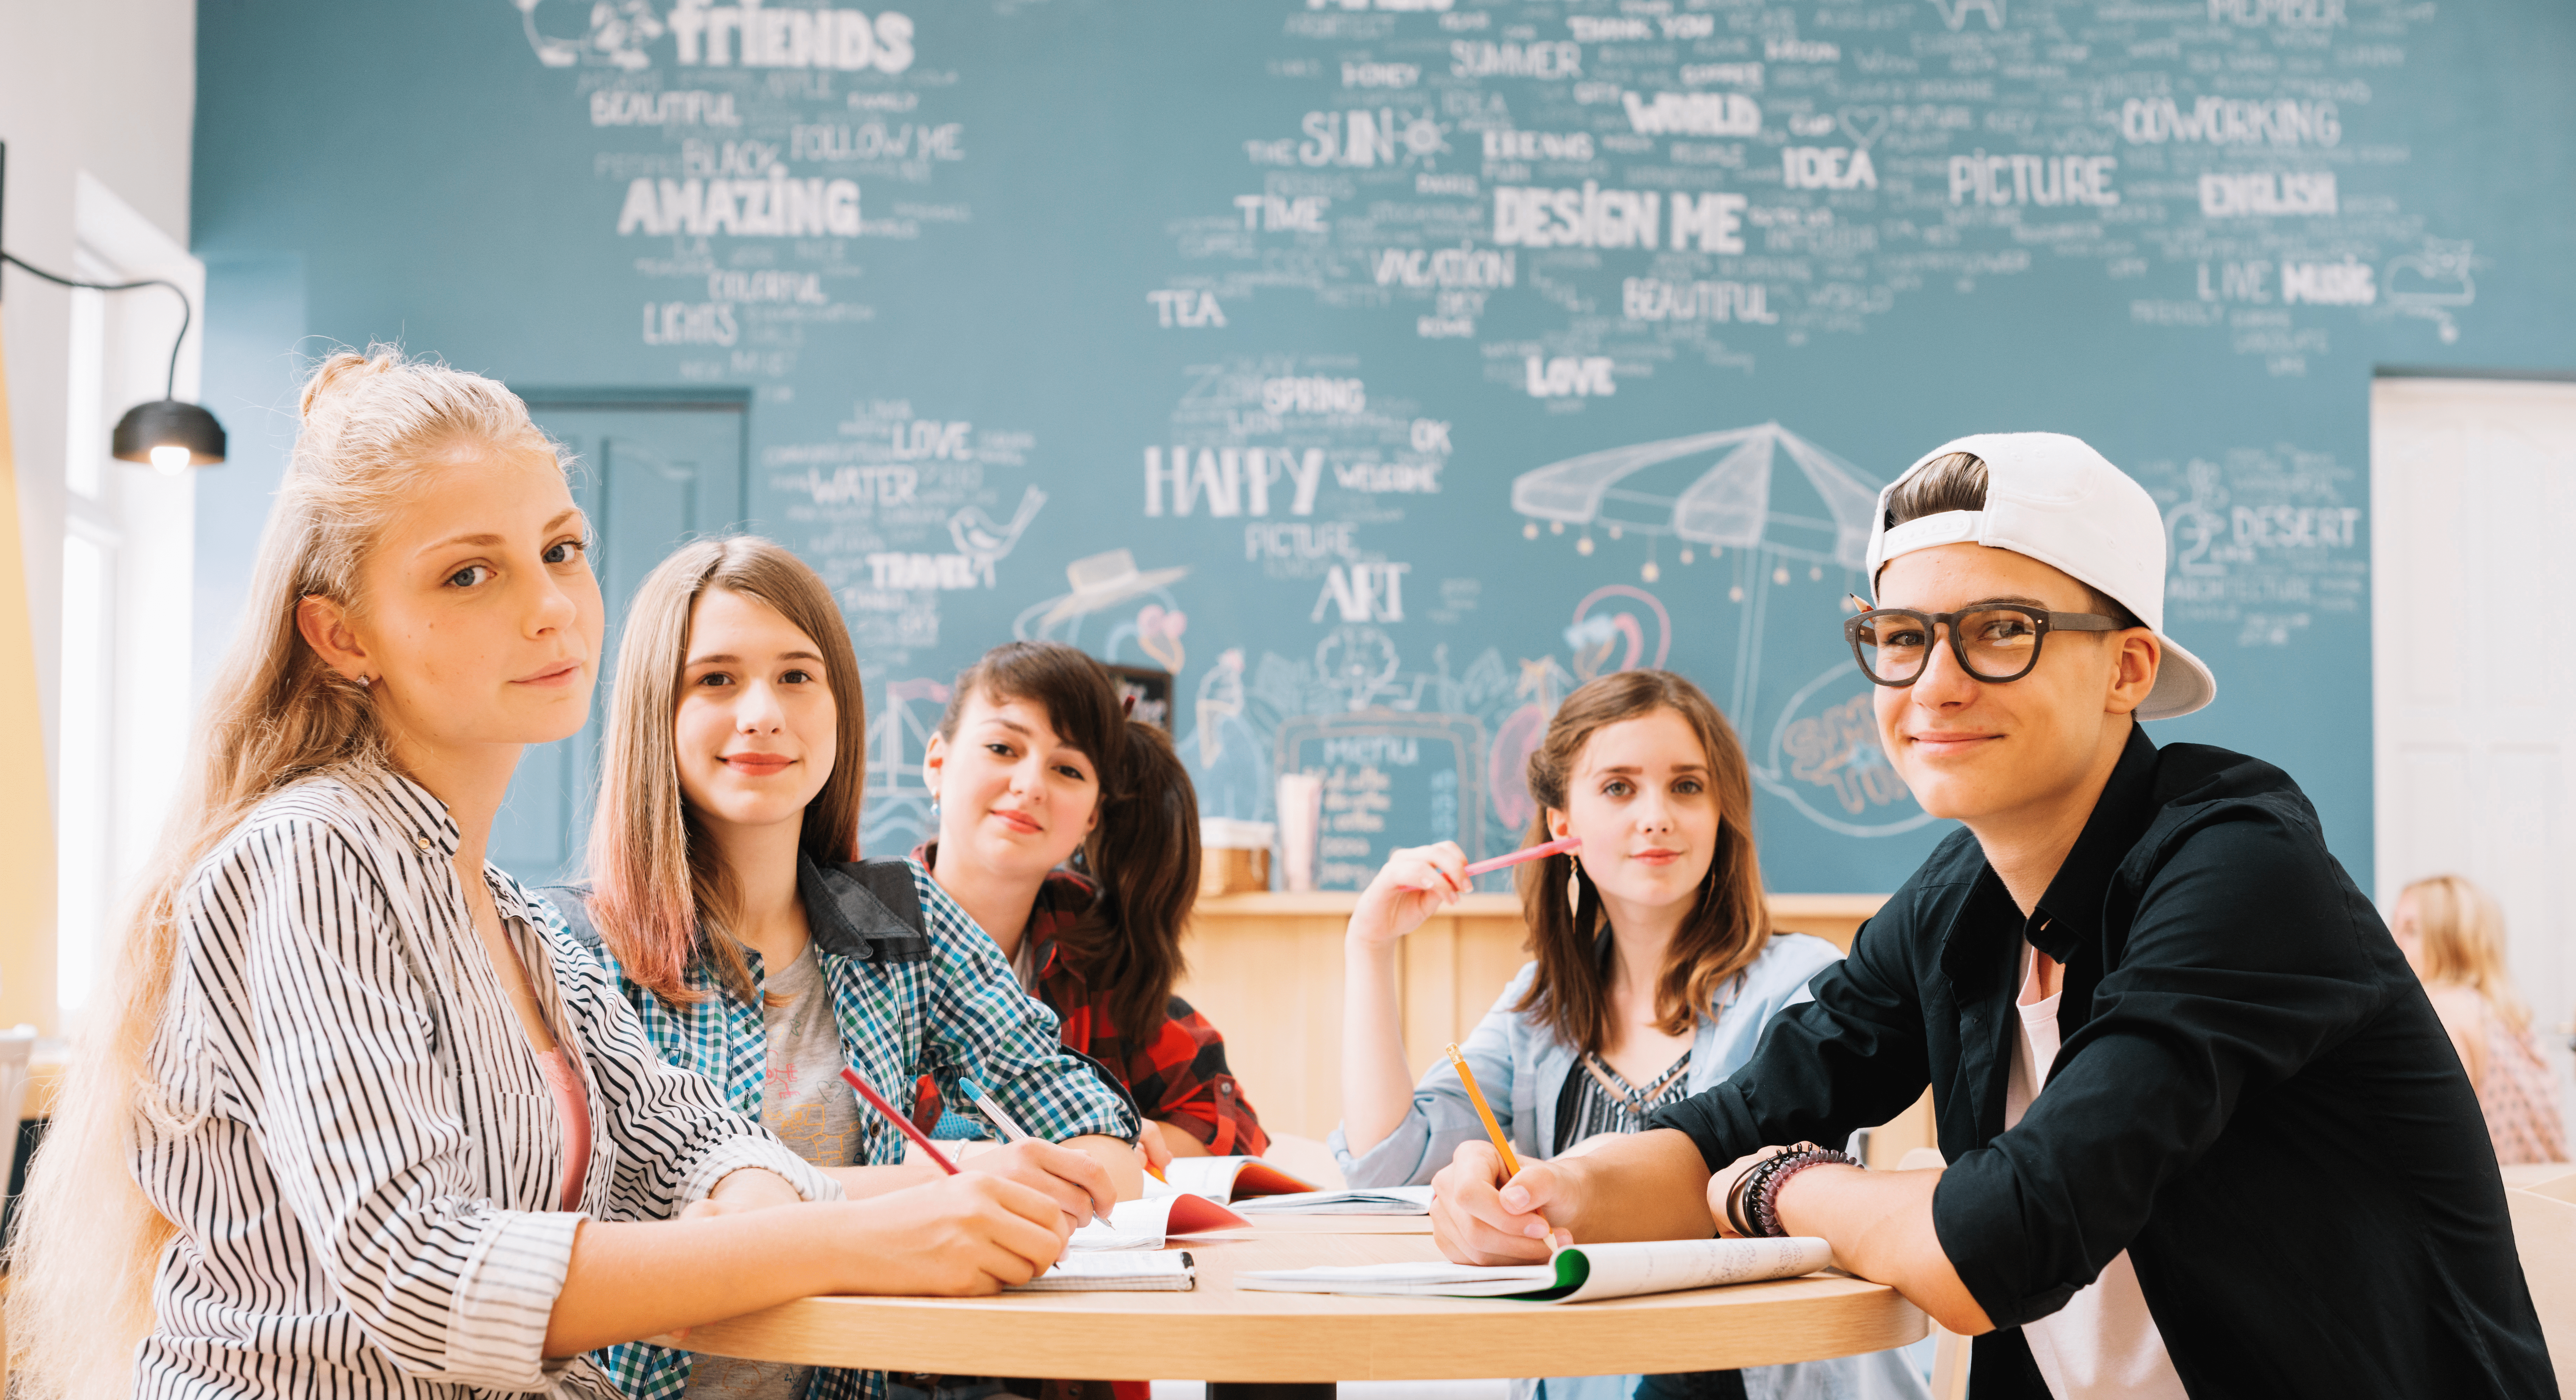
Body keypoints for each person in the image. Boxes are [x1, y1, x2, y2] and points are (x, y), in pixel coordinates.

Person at [5, 352, 1073, 1400]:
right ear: (341, 635)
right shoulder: (313, 855)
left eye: (562, 550)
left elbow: (683, 1135)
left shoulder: (506, 913)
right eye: (469, 574)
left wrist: (753, 1201)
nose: (552, 606)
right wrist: (847, 1235)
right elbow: (420, 1269)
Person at [1425, 434, 2555, 1400]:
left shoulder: (2242, 870)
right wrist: (1550, 1192)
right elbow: (1736, 1121)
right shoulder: (1956, 903)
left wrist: (1780, 1185)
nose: (1933, 684)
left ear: (2127, 669)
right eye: (1901, 636)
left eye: (2001, 629)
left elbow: (1993, 1250)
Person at [554, 538, 1146, 1400]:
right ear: (656, 709)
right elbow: (600, 1235)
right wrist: (928, 1187)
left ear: (840, 708)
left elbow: (1105, 1152)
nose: (763, 713)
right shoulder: (566, 944)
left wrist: (1016, 1177)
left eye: (797, 675)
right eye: (716, 679)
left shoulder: (900, 918)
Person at [1336, 669, 1927, 1400]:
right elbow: (1388, 1165)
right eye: (1619, 787)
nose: (1656, 816)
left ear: (1720, 813)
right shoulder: (1537, 1005)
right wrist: (1369, 945)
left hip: (1757, 1378)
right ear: (1561, 827)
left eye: (1687, 787)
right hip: (1581, 1378)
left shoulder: (1803, 983)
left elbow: (1796, 1216)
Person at [916, 640, 1267, 1160]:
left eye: (1068, 770)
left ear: (1091, 817)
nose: (1030, 786)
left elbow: (1228, 1123)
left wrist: (1124, 1145)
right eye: (1003, 748)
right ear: (937, 763)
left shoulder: (1090, 949)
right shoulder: (856, 936)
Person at [2392, 874, 2569, 1165]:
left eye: (2411, 931)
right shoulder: (2508, 1015)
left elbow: (2430, 1141)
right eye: (2394, 927)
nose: (2393, 943)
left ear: (2452, 942)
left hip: (2503, 1191)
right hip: (2550, 1189)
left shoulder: (2444, 1009)